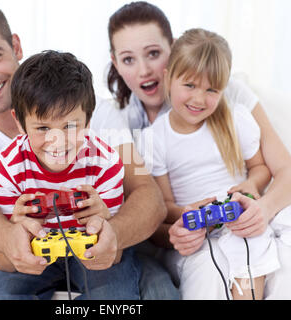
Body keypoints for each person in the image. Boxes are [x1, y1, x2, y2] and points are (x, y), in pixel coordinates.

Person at [0, 2, 172, 299]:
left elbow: (147, 193)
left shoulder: (96, 113)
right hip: (8, 238)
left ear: (15, 45)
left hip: (94, 242)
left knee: (158, 290)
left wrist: (112, 234)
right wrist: (8, 238)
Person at [106, 1, 291, 299]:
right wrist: (188, 220)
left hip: (240, 217)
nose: (144, 70)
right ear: (115, 62)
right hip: (185, 235)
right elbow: (154, 206)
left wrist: (254, 195)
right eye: (129, 59)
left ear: (171, 52)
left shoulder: (231, 108)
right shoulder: (127, 127)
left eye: (153, 53)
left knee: (258, 245)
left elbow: (271, 169)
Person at [0, 50, 141, 299]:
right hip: (35, 253)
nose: (57, 142)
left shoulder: (105, 162)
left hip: (89, 254)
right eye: (42, 127)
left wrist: (103, 224)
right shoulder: (7, 167)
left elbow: (113, 255)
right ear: (19, 122)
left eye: (70, 126)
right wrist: (16, 231)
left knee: (115, 297)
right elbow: (3, 261)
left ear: (89, 120)